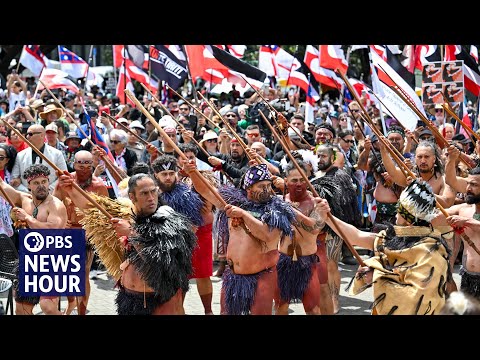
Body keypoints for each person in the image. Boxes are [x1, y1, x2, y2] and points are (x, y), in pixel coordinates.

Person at [318, 177, 451, 315]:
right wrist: (328, 217)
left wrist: (376, 276)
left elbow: (416, 299)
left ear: (407, 219)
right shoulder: (394, 238)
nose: (396, 214)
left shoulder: (432, 251)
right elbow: (356, 236)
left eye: (399, 210)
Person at [183, 162, 297, 315]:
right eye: (260, 186)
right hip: (233, 275)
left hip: (262, 276)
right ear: (248, 188)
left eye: (268, 185)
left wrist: (244, 215)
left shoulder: (277, 209)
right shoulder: (234, 202)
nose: (266, 190)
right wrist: (193, 173)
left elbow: (268, 236)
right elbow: (206, 191)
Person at [0, 164, 68, 315]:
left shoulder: (56, 205)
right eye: (36, 183)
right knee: (22, 310)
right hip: (28, 262)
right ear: (28, 185)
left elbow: (53, 231)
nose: (41, 186)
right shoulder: (23, 199)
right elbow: (1, 185)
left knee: (48, 307)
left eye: (44, 182)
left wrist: (27, 218)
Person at [151, 154, 215, 315]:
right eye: (164, 174)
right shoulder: (151, 195)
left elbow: (193, 225)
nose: (168, 177)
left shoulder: (187, 195)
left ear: (176, 174)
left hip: (187, 244)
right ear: (155, 176)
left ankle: (208, 311)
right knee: (176, 285)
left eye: (171, 174)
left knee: (202, 274)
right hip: (164, 248)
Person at [54, 150, 109, 315]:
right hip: (65, 232)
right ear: (74, 164)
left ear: (93, 164)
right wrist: (61, 222)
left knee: (82, 274)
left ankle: (82, 311)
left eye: (88, 163)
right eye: (80, 163)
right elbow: (54, 203)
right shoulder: (64, 181)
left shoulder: (99, 186)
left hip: (86, 234)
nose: (84, 168)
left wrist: (91, 229)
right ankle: (72, 303)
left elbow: (105, 213)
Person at [274, 161, 332, 315]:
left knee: (313, 309)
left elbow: (314, 229)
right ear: (286, 181)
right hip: (283, 260)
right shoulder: (279, 201)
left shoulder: (317, 203)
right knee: (281, 306)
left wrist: (292, 211)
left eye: (302, 180)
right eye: (294, 180)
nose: (299, 184)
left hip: (307, 262)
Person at [311, 144, 362, 314]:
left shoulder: (339, 175)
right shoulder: (315, 174)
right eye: (318, 155)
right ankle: (321, 299)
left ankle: (334, 302)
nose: (320, 159)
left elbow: (345, 204)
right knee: (319, 266)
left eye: (323, 156)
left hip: (332, 229)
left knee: (332, 264)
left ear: (332, 157)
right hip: (316, 229)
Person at [10, 124, 68, 193]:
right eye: (27, 134)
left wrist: (47, 190)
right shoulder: (20, 155)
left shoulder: (57, 154)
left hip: (51, 197)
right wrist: (29, 192)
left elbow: (63, 177)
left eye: (30, 134)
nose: (27, 137)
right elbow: (14, 179)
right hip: (27, 197)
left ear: (42, 135)